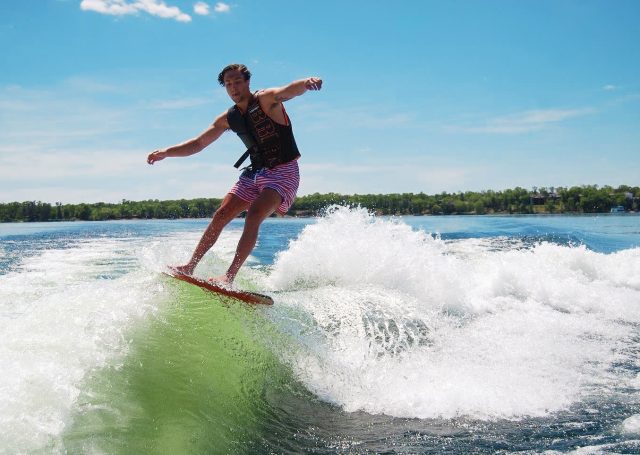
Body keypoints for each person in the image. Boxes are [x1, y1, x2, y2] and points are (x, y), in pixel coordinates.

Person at [147, 63, 322, 284]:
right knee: (221, 215)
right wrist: (166, 152)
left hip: (283, 171)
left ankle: (228, 277)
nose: (233, 88)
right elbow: (198, 143)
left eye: (237, 82)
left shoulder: (266, 100)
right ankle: (189, 266)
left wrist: (306, 83)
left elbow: (287, 90)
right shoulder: (229, 118)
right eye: (228, 84)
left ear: (247, 82)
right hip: (254, 172)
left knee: (254, 215)